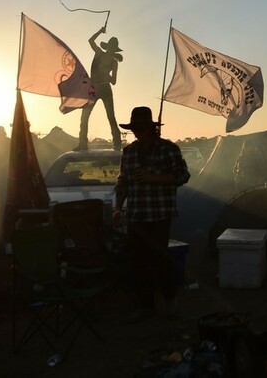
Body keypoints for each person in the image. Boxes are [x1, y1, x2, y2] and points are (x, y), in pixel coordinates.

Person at [113, 106, 190, 322]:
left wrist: (152, 177)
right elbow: (123, 182)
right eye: (134, 128)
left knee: (160, 259)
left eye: (141, 128)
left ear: (151, 128)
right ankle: (145, 306)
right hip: (135, 215)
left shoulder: (168, 149)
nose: (137, 132)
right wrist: (118, 207)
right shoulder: (129, 152)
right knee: (138, 262)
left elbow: (183, 176)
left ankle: (170, 300)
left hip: (159, 214)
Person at [77, 26, 123, 150]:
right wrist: (99, 31)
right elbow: (90, 41)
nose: (111, 50)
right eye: (110, 48)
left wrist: (106, 73)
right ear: (108, 47)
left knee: (110, 116)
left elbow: (113, 81)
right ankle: (82, 144)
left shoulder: (114, 62)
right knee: (85, 116)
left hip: (106, 90)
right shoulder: (98, 53)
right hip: (93, 89)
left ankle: (117, 144)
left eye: (113, 49)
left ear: (114, 49)